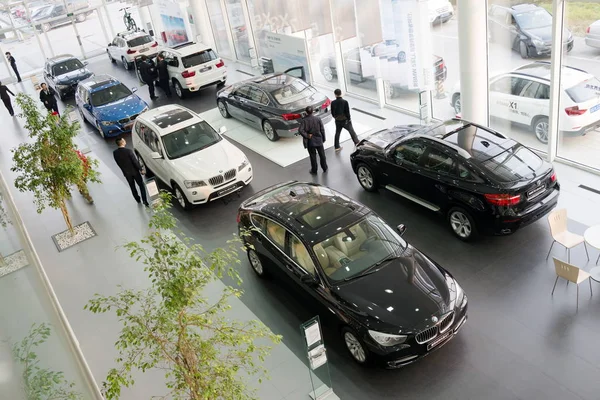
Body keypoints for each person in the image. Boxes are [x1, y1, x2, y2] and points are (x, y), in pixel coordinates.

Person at [113, 137, 149, 206]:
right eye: (124, 140)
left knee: (132, 187)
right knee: (141, 185)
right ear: (122, 142)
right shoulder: (128, 151)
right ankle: (144, 201)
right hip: (135, 172)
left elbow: (118, 163)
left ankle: (137, 199)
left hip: (127, 173)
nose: (125, 140)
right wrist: (141, 169)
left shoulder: (115, 153)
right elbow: (135, 161)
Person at [299, 106, 327, 174]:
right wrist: (323, 138)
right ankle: (324, 168)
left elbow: (300, 130)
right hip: (319, 139)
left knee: (313, 156)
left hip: (310, 141)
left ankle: (314, 170)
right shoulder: (318, 118)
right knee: (322, 155)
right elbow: (322, 129)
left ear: (306, 112)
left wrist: (307, 135)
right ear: (313, 111)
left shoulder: (304, 120)